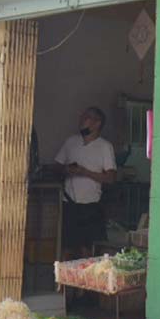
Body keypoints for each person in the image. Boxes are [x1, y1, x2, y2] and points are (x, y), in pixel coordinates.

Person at [55, 107, 116, 259]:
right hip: (69, 204)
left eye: (87, 117)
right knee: (66, 249)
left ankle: (84, 281)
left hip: (91, 206)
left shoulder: (104, 146)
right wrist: (67, 170)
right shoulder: (71, 142)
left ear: (97, 123)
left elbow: (110, 178)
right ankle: (63, 282)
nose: (82, 119)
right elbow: (57, 166)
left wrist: (85, 172)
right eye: (82, 116)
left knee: (87, 251)